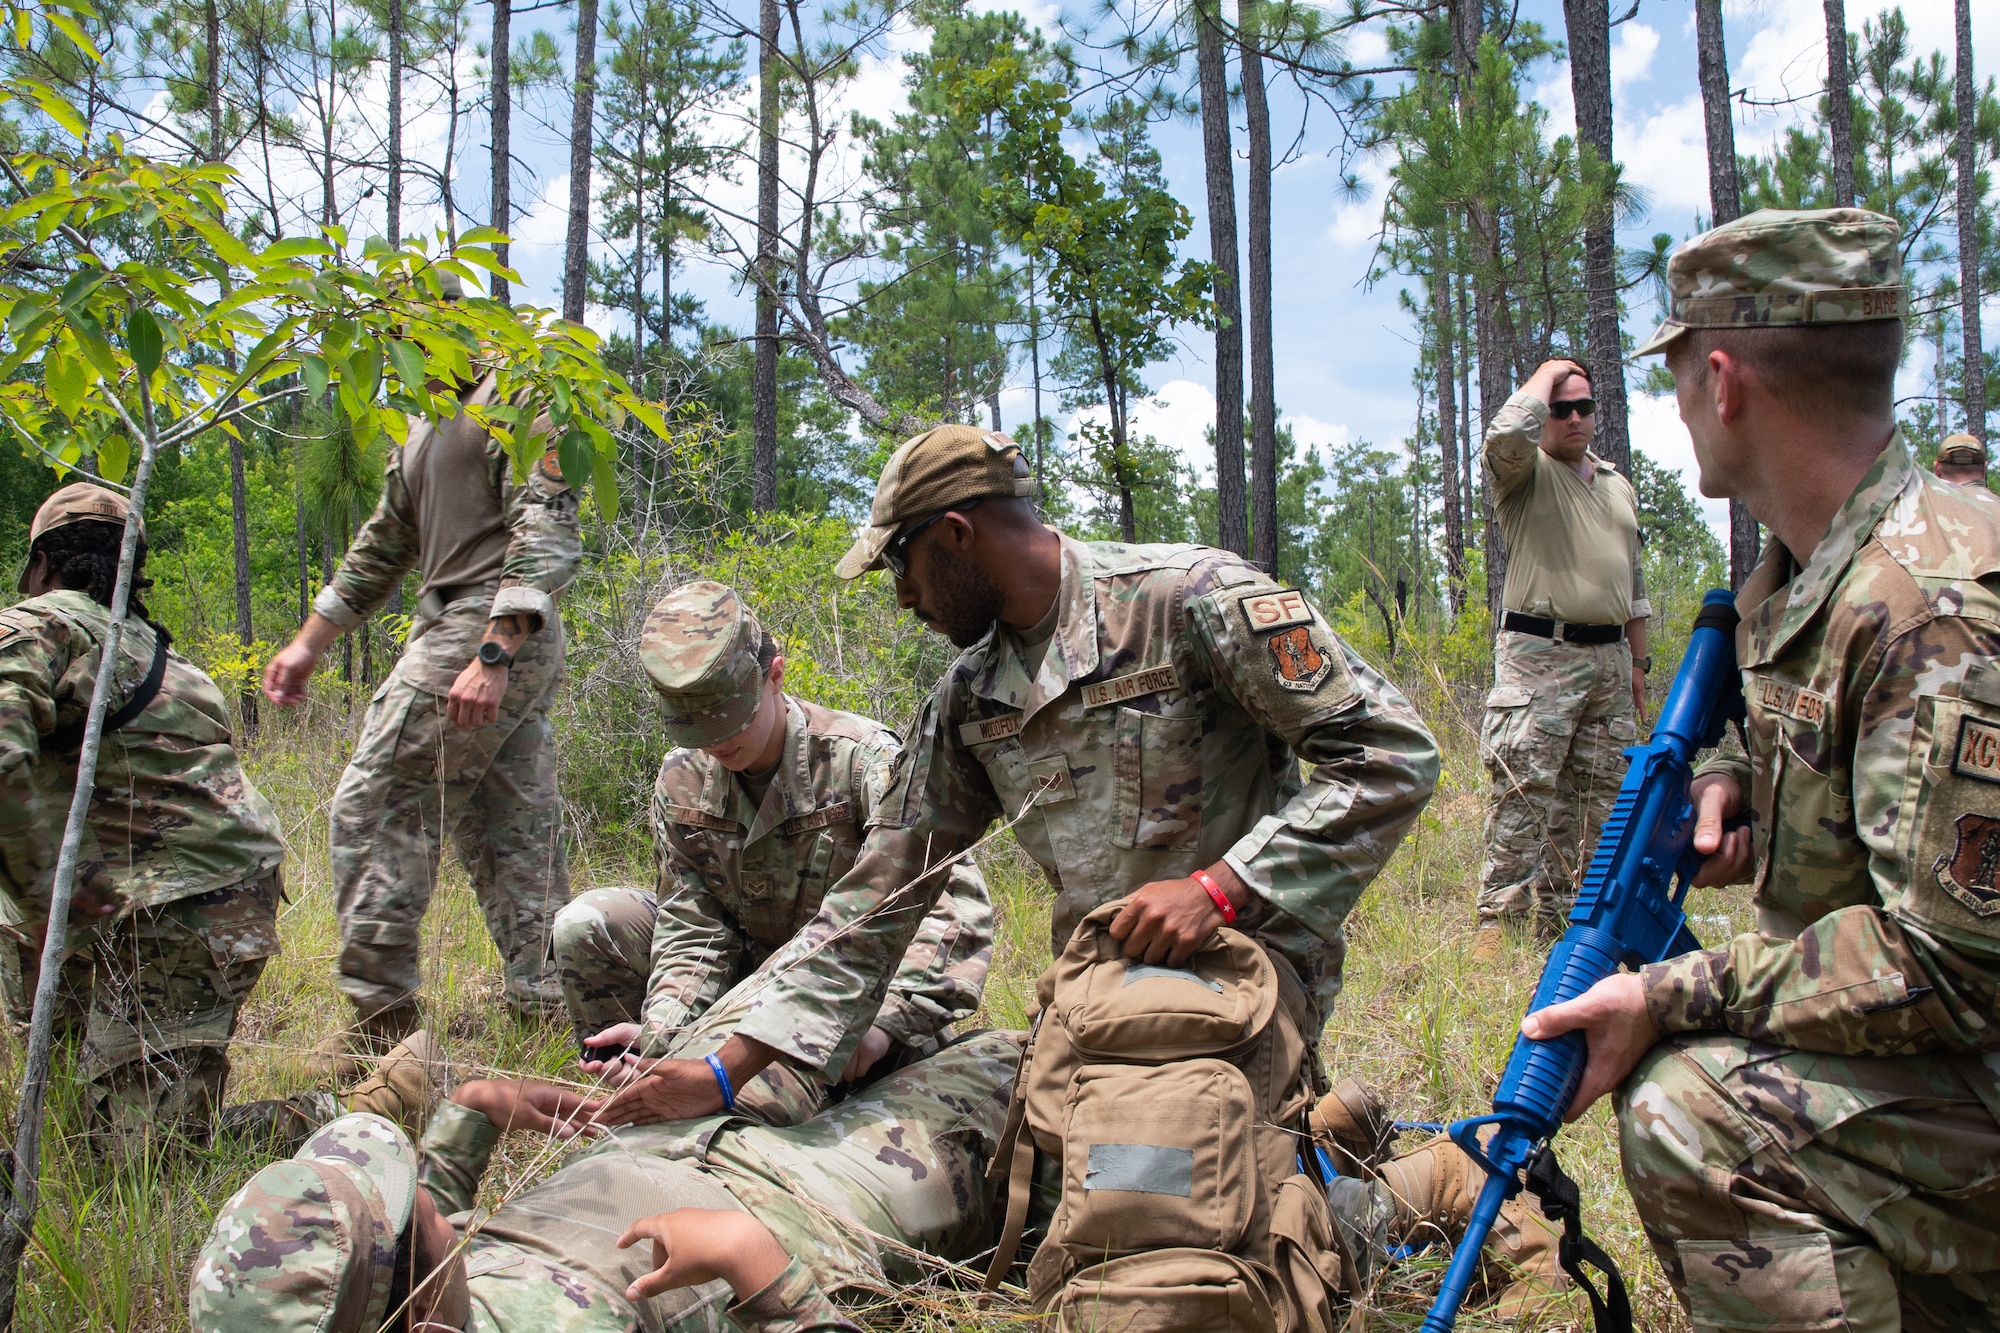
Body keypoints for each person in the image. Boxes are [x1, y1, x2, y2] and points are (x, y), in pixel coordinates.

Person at [587, 425, 1437, 1188]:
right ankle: (1313, 1147)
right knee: (1004, 1179)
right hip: (1094, 1001)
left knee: (1151, 1209)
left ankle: (1407, 1192)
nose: (903, 600)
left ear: (956, 535)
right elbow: (877, 898)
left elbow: (1392, 756)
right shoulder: (968, 698)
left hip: (1240, 980)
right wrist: (731, 1068)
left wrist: (1221, 888)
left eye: (902, 567)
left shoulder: (1190, 601)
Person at [1523, 208, 2000, 1331]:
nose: (1674, 401)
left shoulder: (1934, 610)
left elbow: (1949, 965)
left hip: (1966, 1041)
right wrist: (1728, 779)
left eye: (1677, 371)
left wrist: (1665, 993)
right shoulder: (1802, 574)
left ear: (1723, 380)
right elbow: (1792, 709)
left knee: (1688, 1110)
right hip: (1941, 1058)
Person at [188, 1029, 1027, 1332]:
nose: (422, 1204)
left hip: (671, 1138)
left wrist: (481, 1106)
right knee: (1015, 1060)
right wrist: (756, 1266)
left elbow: (437, 1226)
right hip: (804, 1200)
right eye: (406, 1218)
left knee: (791, 1025)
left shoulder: (426, 1295)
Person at [552, 579, 991, 1125]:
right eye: (698, 729)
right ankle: (642, 1089)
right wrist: (661, 1033)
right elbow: (694, 925)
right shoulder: (683, 780)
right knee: (586, 922)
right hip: (744, 998)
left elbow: (952, 910)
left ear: (775, 675)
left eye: (730, 719)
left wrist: (883, 1029)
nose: (716, 743)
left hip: (854, 1002)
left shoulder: (864, 762)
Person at [261, 357, 581, 1069]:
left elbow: (546, 532)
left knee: (376, 806)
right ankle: (551, 1011)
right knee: (510, 824)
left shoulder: (515, 394)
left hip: (490, 625)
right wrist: (311, 642)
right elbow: (384, 544)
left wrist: (493, 653)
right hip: (462, 627)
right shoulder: (420, 425)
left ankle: (382, 1028)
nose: (395, 345)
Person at [0, 484, 287, 1155]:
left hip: (179, 912)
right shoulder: (165, 656)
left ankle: (374, 1101)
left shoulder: (39, 622)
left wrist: (45, 896)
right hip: (208, 899)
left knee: (145, 1162)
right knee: (66, 1133)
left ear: (42, 563)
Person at [1475, 357, 1651, 959]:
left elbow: (1634, 580)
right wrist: (1550, 369)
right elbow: (1503, 435)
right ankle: (1497, 928)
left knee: (1602, 801)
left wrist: (1638, 664)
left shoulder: (1616, 483)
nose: (1575, 418)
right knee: (1524, 791)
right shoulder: (1522, 474)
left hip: (1610, 658)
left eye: (1584, 406)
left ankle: (1573, 929)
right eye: (1560, 407)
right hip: (1539, 654)